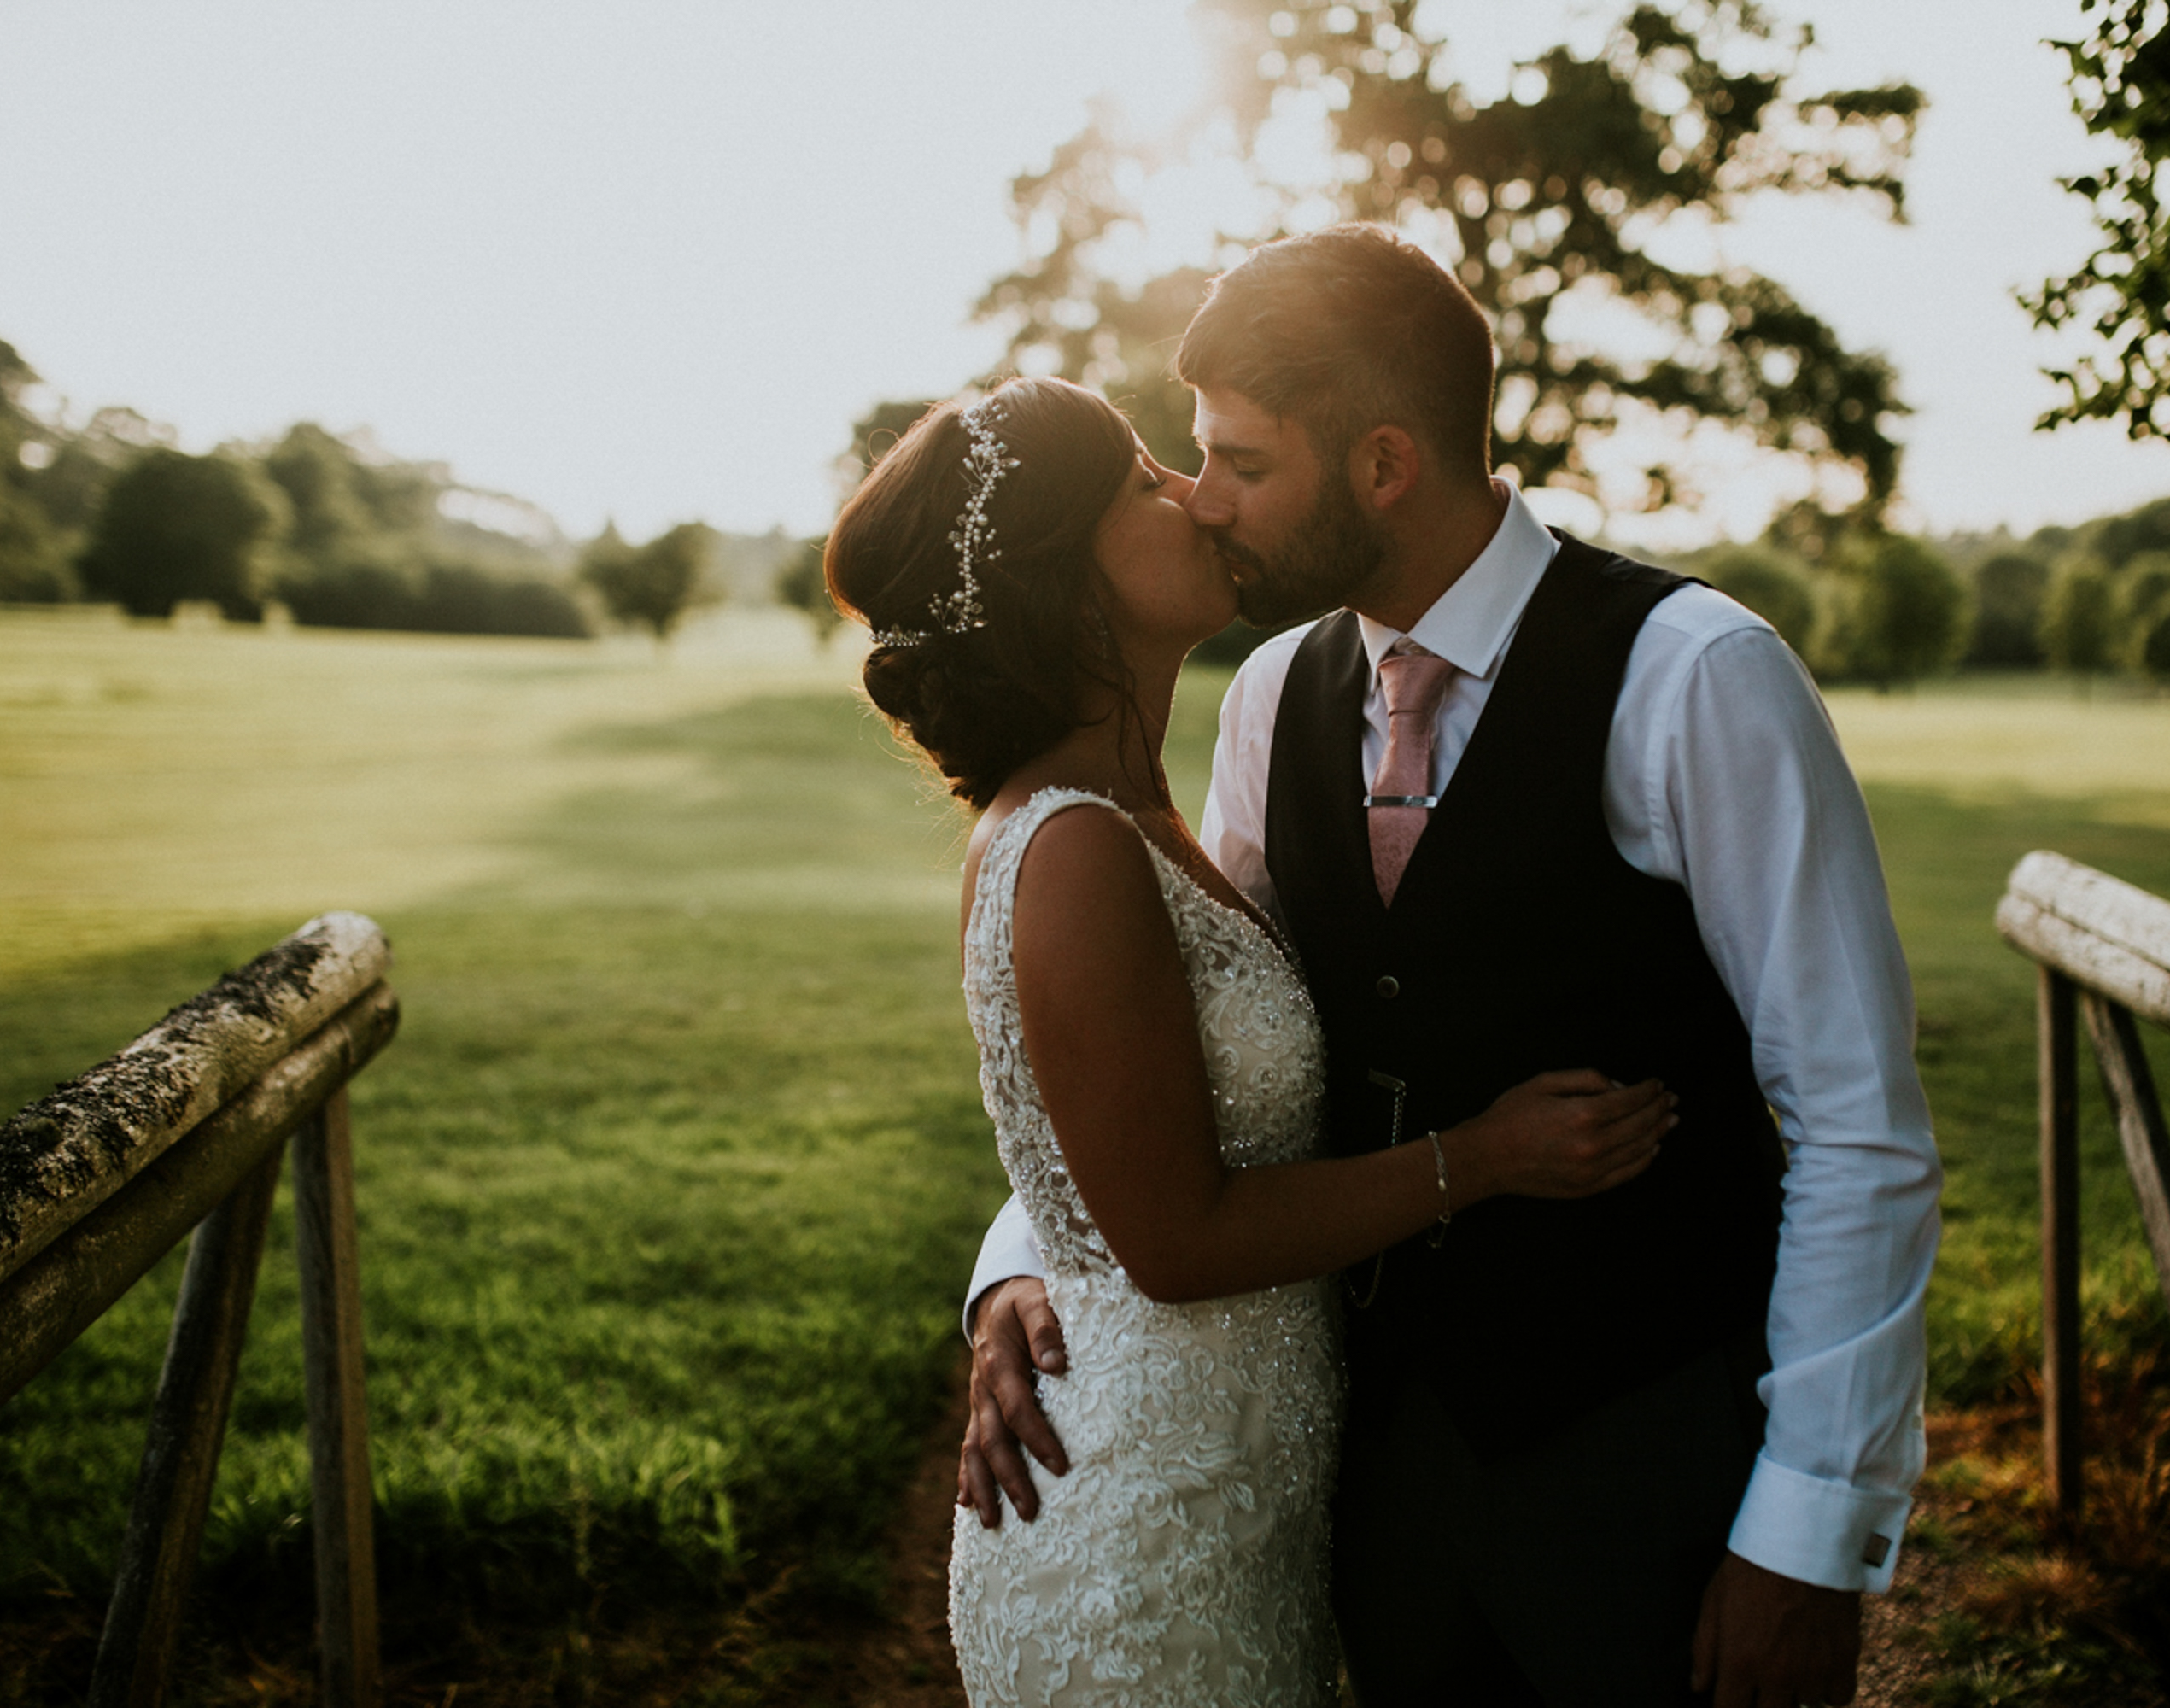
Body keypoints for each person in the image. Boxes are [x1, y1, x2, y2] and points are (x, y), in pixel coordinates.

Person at [961, 226, 1944, 1708]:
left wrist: (1813, 1533)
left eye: (1239, 460)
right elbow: (1182, 1059)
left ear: (1382, 465)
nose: (1204, 500)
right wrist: (1023, 1271)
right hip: (1373, 1484)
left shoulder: (1698, 675)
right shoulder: (1274, 701)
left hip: (1652, 1460)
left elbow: (1857, 1120)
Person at [823, 373, 1684, 1707]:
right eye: (1144, 483)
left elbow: (1111, 1133)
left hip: (1232, 1514)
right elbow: (1170, 1239)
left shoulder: (1142, 818)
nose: (1195, 494)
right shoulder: (1074, 850)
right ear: (1069, 571)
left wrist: (1014, 1276)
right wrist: (1486, 1157)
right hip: (1142, 1541)